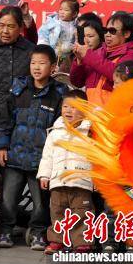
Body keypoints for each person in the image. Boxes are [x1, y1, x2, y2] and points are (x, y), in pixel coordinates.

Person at [0, 44, 67, 250]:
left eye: (42, 63)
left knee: (41, 201)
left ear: (52, 67)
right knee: (8, 198)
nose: (36, 67)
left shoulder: (58, 93)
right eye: (33, 62)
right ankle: (5, 231)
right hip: (15, 156)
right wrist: (2, 146)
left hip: (41, 160)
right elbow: (5, 120)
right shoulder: (19, 88)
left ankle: (38, 233)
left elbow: (60, 127)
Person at [37, 89, 93, 254]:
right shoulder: (55, 132)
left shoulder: (90, 133)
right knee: (57, 212)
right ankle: (57, 241)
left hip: (81, 181)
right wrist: (44, 175)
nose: (68, 110)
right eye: (65, 106)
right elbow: (47, 156)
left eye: (74, 107)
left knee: (82, 212)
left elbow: (95, 158)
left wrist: (97, 178)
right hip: (58, 180)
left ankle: (82, 242)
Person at [70, 12, 133, 105]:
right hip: (90, 109)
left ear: (126, 34)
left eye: (112, 31)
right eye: (106, 30)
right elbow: (77, 82)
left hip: (113, 110)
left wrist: (88, 55)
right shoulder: (97, 52)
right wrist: (79, 61)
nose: (107, 34)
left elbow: (119, 75)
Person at [37, 0, 79, 72]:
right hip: (51, 54)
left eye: (66, 10)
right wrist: (44, 50)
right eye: (60, 9)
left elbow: (77, 42)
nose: (62, 12)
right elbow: (43, 35)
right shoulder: (51, 23)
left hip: (68, 58)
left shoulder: (77, 26)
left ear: (74, 14)